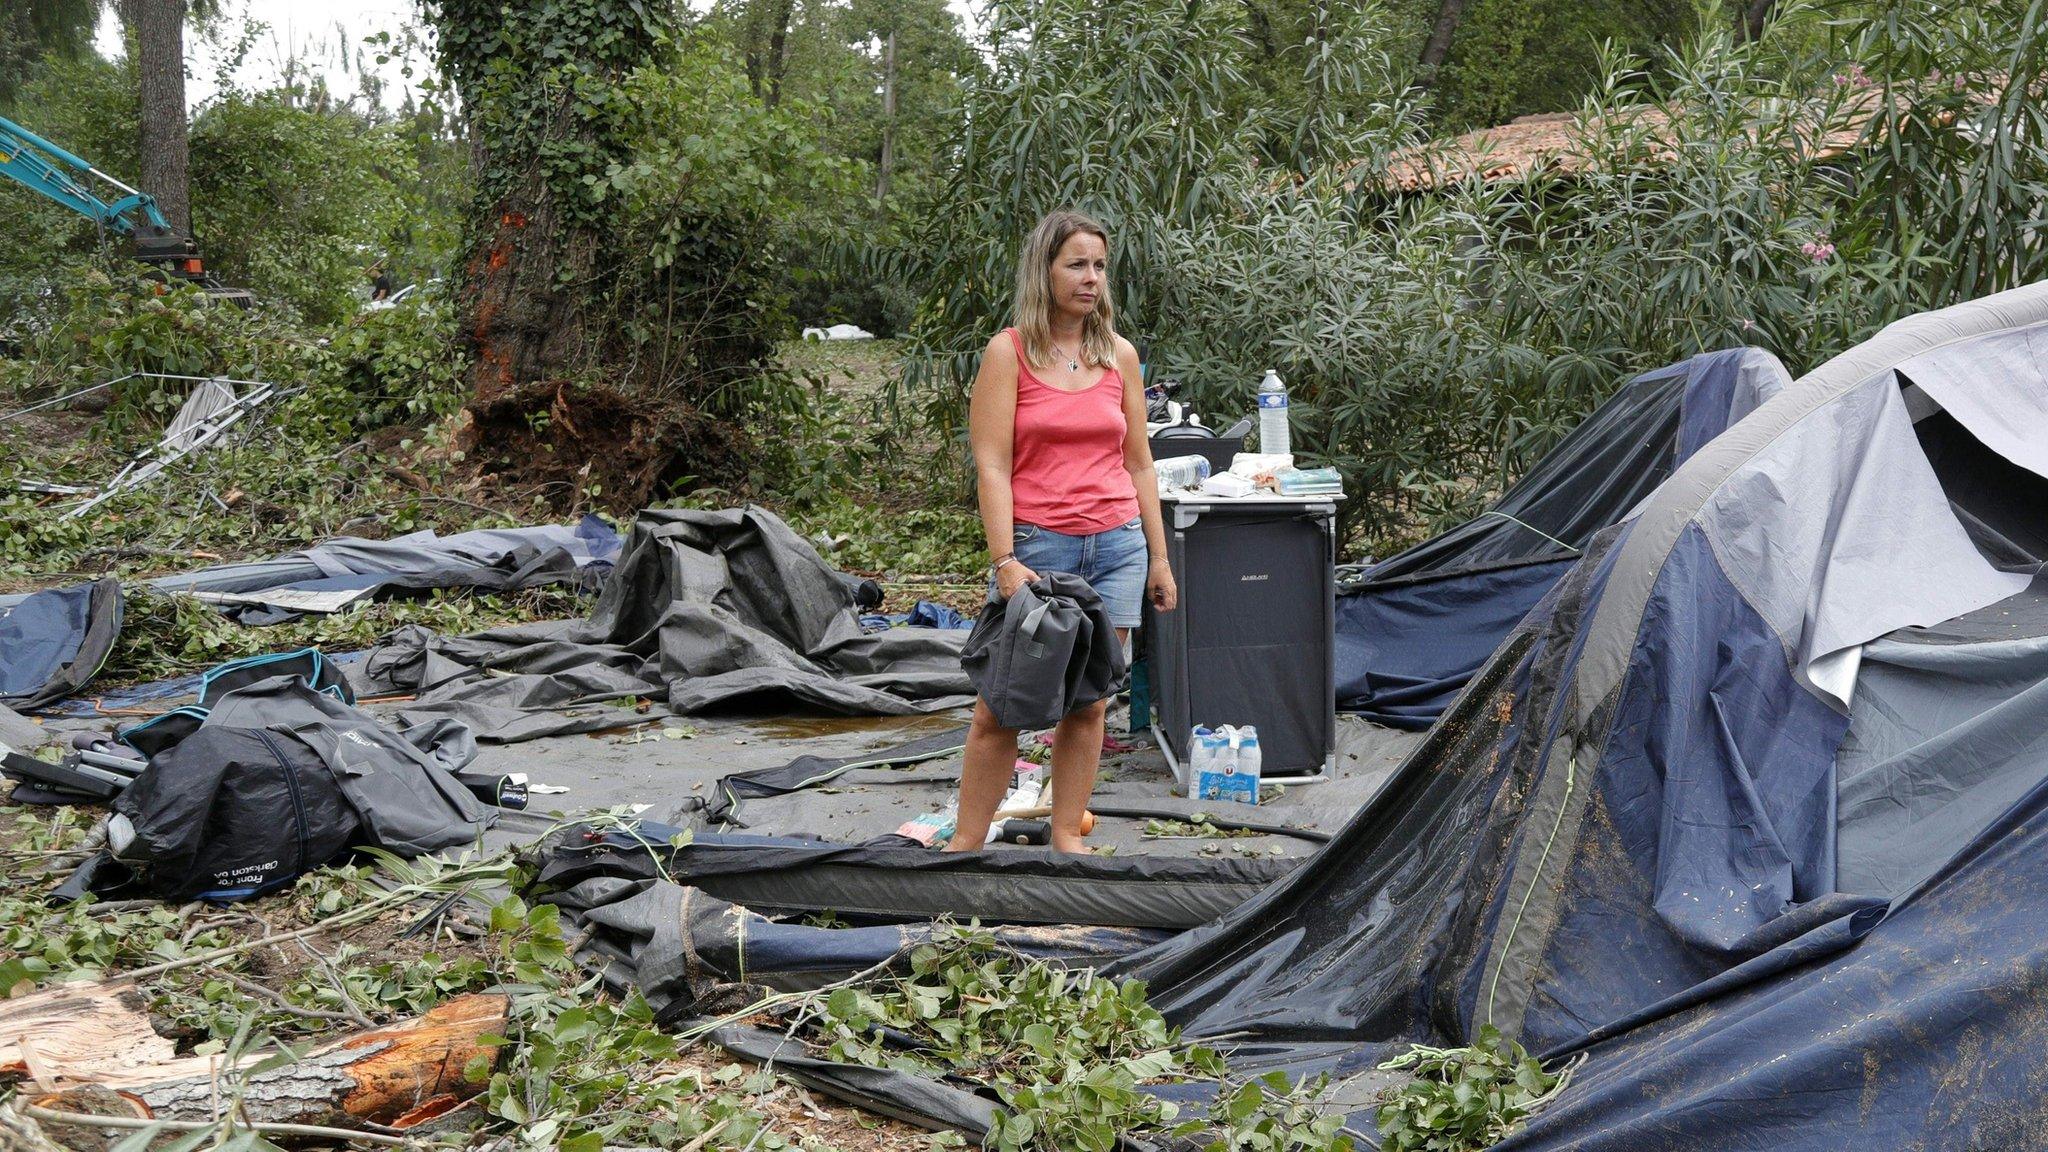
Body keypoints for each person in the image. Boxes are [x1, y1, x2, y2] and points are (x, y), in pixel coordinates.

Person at [945, 210, 1178, 854]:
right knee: (1003, 702)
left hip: (1118, 547)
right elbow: (991, 463)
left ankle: (1065, 840)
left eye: (1100, 266)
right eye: (1076, 264)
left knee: (1090, 701)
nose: (1091, 278)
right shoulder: (1008, 352)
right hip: (1041, 551)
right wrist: (1003, 559)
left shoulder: (1118, 355)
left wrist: (1159, 558)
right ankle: (964, 846)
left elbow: (1138, 462)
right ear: (1043, 271)